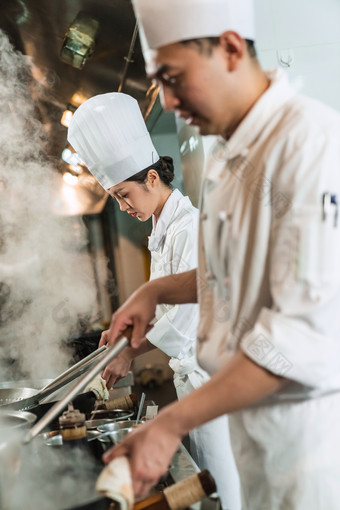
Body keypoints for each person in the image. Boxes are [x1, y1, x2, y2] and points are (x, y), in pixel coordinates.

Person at [98, 0, 340, 508]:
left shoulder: (308, 145)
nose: (166, 98)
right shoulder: (229, 155)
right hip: (251, 430)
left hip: (304, 448)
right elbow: (227, 274)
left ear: (230, 48)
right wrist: (157, 288)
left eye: (173, 77)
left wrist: (171, 424)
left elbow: (300, 338)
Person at [68, 92, 241, 510]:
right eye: (115, 199)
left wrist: (129, 351)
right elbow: (161, 311)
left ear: (151, 179)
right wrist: (125, 334)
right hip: (191, 384)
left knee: (229, 496)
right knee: (208, 492)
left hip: (214, 385)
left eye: (125, 194)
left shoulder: (188, 228)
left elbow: (184, 319)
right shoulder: (161, 232)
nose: (123, 206)